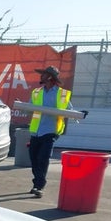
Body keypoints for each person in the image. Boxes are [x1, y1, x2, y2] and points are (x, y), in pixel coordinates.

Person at [27, 65, 75, 198]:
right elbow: (29, 107)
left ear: (50, 77)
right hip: (36, 131)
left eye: (43, 74)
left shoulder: (61, 94)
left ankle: (39, 186)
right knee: (34, 158)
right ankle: (37, 182)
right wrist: (21, 104)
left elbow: (69, 110)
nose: (41, 76)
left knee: (43, 158)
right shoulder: (37, 92)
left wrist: (79, 113)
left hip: (50, 131)